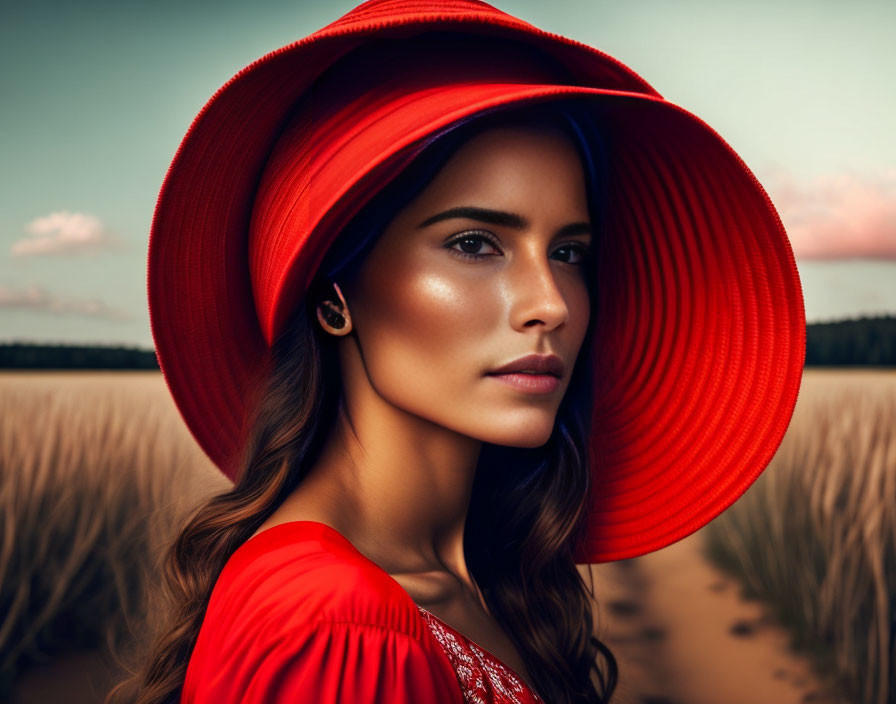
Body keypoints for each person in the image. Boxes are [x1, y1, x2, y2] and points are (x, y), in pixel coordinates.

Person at [118, 1, 806, 702]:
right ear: (332, 297)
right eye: (475, 244)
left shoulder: (484, 584)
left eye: (569, 252)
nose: (552, 303)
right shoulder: (339, 632)